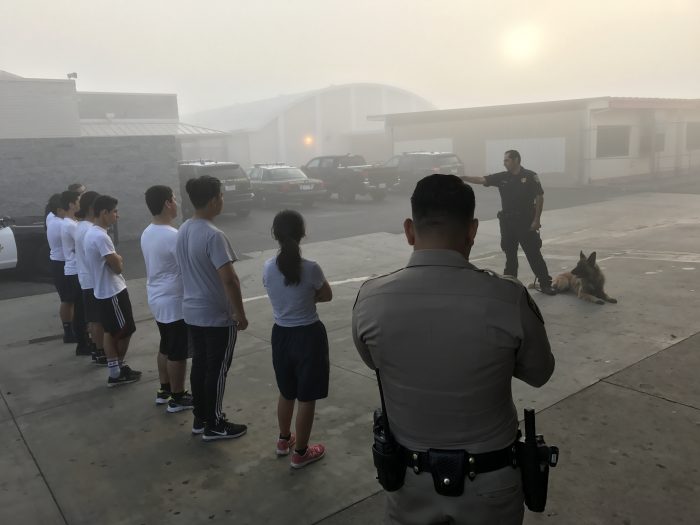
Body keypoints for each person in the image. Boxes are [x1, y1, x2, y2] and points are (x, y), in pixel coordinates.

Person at [352, 174, 555, 525]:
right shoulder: (507, 297)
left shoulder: (370, 299)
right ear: (473, 229)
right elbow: (540, 374)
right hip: (491, 484)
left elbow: (374, 362)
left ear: (409, 230)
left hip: (408, 483)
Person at [175, 176, 249, 441]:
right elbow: (229, 279)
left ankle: (200, 417)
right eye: (221, 195)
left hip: (192, 312)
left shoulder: (184, 228)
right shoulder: (214, 235)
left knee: (201, 366)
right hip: (217, 316)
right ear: (214, 199)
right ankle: (214, 423)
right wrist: (239, 313)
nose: (223, 200)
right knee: (217, 370)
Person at [263, 210, 332, 469]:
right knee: (307, 397)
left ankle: (284, 440)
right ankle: (301, 453)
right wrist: (308, 299)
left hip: (281, 335)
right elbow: (327, 295)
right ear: (302, 233)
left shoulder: (268, 267)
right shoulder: (311, 268)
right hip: (308, 336)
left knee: (286, 391)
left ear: (275, 234)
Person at [462, 150, 556, 295]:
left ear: (516, 160)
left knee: (533, 254)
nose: (504, 163)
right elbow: (481, 180)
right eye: (504, 160)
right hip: (507, 222)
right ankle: (510, 284)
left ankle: (545, 284)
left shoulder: (530, 176)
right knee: (510, 254)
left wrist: (537, 220)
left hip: (525, 222)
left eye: (507, 160)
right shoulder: (502, 177)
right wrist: (462, 178)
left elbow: (539, 197)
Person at [141, 185, 194, 413]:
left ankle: (165, 390)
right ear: (167, 203)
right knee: (178, 352)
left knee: (166, 345)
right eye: (174, 199)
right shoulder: (174, 236)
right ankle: (178, 397)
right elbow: (189, 268)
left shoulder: (148, 231)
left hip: (157, 296)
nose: (177, 203)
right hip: (173, 301)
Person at [84, 195, 141, 387]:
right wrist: (119, 258)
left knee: (112, 331)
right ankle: (116, 372)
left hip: (104, 291)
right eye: (114, 212)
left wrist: (117, 258)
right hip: (112, 292)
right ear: (104, 213)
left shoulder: (92, 233)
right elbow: (118, 267)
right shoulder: (101, 236)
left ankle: (116, 371)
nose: (118, 215)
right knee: (125, 330)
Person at [74, 191, 107, 365]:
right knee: (98, 319)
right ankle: (101, 351)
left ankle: (96, 349)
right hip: (93, 279)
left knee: (94, 319)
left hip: (86, 278)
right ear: (92, 208)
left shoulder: (81, 226)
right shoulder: (88, 229)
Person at [59, 190, 90, 356]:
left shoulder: (72, 223)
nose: (80, 203)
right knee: (80, 310)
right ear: (71, 204)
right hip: (75, 270)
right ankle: (82, 344)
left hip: (75, 269)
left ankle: (84, 341)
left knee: (80, 308)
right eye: (78, 200)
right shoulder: (70, 225)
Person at [46, 192, 76, 343]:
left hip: (58, 262)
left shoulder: (53, 220)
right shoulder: (60, 224)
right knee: (68, 299)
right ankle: (69, 332)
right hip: (61, 263)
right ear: (59, 210)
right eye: (66, 207)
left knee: (69, 299)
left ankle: (70, 330)